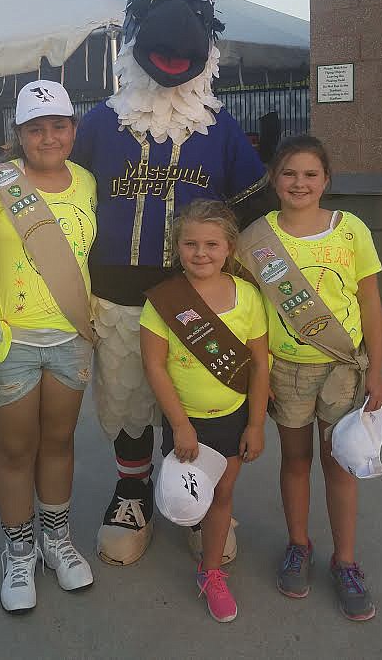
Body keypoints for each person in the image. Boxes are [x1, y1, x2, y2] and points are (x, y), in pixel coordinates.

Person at [70, 0, 270, 567]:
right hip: (121, 295)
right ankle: (133, 492)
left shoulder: (221, 129)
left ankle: (195, 494)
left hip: (202, 301)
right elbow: (64, 207)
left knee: (199, 407)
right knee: (131, 403)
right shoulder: (98, 124)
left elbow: (258, 223)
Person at [0, 80, 97, 614]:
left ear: (73, 129)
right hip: (11, 341)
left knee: (60, 441)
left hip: (71, 337)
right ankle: (18, 549)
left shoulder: (88, 182)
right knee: (13, 450)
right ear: (19, 135)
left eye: (58, 126)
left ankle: (55, 538)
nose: (48, 137)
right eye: (35, 128)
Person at [260, 135, 382, 621]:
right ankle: (298, 544)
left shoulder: (350, 229)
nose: (300, 183)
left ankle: (346, 560)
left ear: (326, 181)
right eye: (289, 173)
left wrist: (377, 368)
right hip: (285, 369)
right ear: (274, 179)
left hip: (342, 368)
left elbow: (371, 303)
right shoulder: (260, 238)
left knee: (340, 465)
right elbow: (251, 311)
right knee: (295, 460)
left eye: (311, 175)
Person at [140, 200, 269, 623]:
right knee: (187, 493)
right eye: (190, 243)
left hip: (232, 415)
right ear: (177, 247)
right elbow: (154, 365)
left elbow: (259, 364)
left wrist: (255, 424)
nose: (201, 253)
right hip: (186, 420)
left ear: (229, 247)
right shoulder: (165, 300)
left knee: (224, 494)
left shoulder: (248, 297)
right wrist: (179, 425)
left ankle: (210, 571)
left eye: (212, 244)